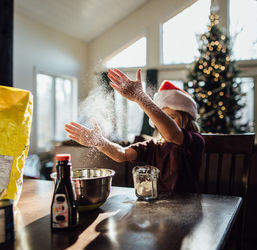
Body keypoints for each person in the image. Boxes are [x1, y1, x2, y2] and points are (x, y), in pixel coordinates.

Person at [64, 68, 205, 193]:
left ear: (186, 119)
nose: (164, 122)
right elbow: (122, 154)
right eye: (162, 118)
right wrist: (99, 142)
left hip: (187, 205)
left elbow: (172, 134)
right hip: (159, 206)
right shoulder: (154, 145)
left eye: (172, 118)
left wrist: (140, 97)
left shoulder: (195, 140)